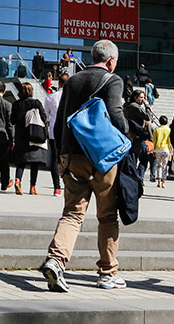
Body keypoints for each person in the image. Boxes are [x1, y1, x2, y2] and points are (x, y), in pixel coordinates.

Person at [41, 40, 131, 293]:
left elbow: (59, 122)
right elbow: (115, 114)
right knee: (107, 216)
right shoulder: (113, 80)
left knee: (72, 214)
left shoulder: (72, 81)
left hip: (72, 157)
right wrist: (126, 131)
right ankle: (107, 273)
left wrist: (60, 156)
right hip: (102, 158)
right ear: (111, 60)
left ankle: (56, 261)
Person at [10, 81, 47, 194]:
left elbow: (12, 120)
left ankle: (18, 180)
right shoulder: (36, 103)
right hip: (34, 134)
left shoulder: (16, 104)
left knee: (21, 162)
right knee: (34, 162)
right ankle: (32, 187)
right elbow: (44, 117)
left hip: (21, 136)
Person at [44, 74, 67, 196]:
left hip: (54, 131)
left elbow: (46, 114)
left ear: (59, 84)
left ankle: (56, 187)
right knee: (67, 158)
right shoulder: (71, 97)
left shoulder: (51, 97)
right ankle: (68, 185)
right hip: (68, 132)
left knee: (54, 158)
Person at [124, 89, 153, 183]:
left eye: (144, 97)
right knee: (143, 158)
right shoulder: (135, 107)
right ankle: (138, 177)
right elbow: (148, 117)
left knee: (132, 157)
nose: (143, 99)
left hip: (129, 135)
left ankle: (133, 176)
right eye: (141, 97)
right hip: (137, 136)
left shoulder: (127, 105)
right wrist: (147, 105)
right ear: (135, 98)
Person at [152, 115, 172, 188]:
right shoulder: (168, 130)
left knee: (159, 165)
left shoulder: (157, 130)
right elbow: (169, 141)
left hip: (158, 149)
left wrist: (154, 150)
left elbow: (154, 140)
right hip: (166, 148)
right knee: (164, 166)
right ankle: (163, 182)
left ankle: (159, 181)